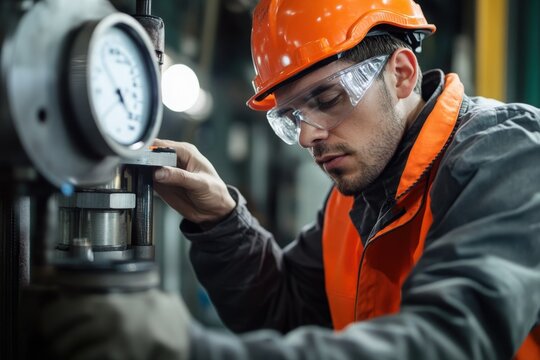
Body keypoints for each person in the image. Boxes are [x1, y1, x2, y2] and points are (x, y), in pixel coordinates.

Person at [41, 0, 540, 359]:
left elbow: (450, 340)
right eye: (291, 117)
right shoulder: (357, 198)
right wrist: (220, 220)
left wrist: (191, 351)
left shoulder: (508, 158)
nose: (307, 136)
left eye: (325, 101)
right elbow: (287, 310)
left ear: (402, 73)